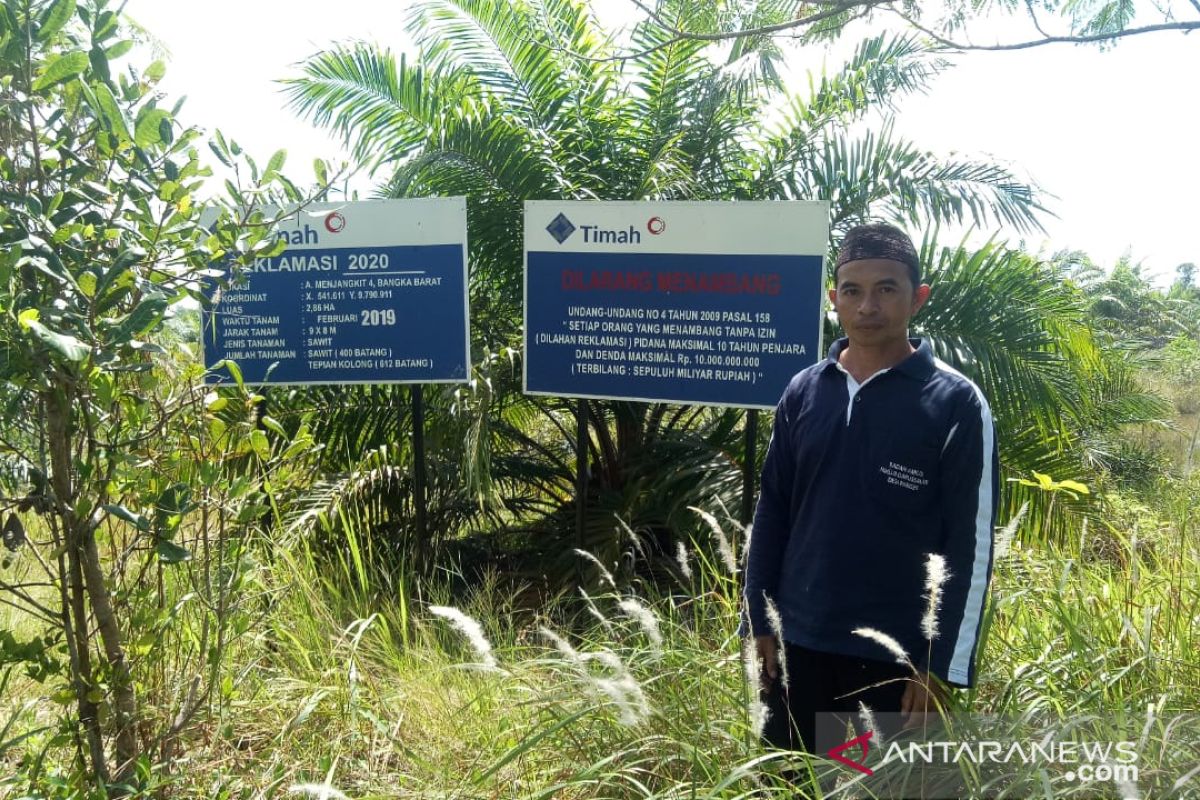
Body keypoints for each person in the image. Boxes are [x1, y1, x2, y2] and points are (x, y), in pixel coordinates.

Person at [741, 222, 999, 756]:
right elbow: (774, 510)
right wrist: (758, 620)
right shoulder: (804, 391)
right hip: (799, 641)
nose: (868, 306)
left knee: (878, 786)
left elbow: (970, 545)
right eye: (853, 291)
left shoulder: (954, 403)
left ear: (917, 298)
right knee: (789, 782)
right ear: (834, 298)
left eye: (887, 289)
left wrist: (940, 665)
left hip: (895, 656)